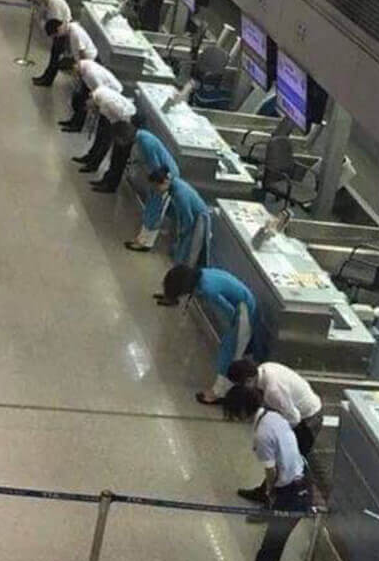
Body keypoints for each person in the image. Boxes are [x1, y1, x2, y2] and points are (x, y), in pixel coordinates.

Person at [220, 384, 310, 561]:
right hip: (301, 478)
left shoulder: (262, 435)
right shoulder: (273, 417)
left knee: (270, 548)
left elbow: (271, 473)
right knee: (269, 546)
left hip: (293, 495)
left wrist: (270, 494)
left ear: (242, 411)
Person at [227, 359, 323, 504]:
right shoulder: (264, 369)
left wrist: (277, 435)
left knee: (288, 465)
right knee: (282, 463)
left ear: (248, 381)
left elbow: (294, 418)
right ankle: (265, 493)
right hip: (302, 410)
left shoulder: (273, 391)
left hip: (308, 419)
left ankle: (278, 502)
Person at [159, 264, 258, 404]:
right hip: (243, 303)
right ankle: (227, 387)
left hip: (243, 312)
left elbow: (230, 310)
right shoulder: (202, 274)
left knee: (230, 353)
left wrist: (232, 332)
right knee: (230, 350)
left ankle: (220, 393)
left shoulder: (207, 289)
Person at [126, 170, 211, 266]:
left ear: (165, 182)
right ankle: (180, 264)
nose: (157, 190)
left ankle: (184, 268)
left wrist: (182, 232)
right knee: (184, 242)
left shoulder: (180, 193)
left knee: (192, 246)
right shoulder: (173, 186)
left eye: (157, 187)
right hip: (191, 216)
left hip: (199, 218)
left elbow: (188, 219)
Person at [77, 88, 137, 190]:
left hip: (127, 123)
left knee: (118, 157)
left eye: (88, 107)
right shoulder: (98, 96)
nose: (90, 110)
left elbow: (118, 119)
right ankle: (106, 180)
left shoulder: (104, 104)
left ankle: (110, 185)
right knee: (114, 155)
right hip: (122, 121)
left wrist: (118, 133)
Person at [61, 60, 122, 135]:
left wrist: (91, 100)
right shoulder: (83, 65)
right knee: (79, 99)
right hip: (98, 87)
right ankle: (73, 122)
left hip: (110, 91)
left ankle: (77, 126)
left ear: (74, 67)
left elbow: (100, 90)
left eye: (70, 73)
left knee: (83, 103)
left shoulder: (90, 74)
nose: (72, 75)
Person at [27, 0, 72, 86]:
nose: (37, 3)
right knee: (53, 55)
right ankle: (45, 76)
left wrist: (52, 33)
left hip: (61, 30)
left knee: (55, 57)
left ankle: (48, 80)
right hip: (59, 28)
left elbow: (55, 21)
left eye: (36, 0)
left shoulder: (53, 1)